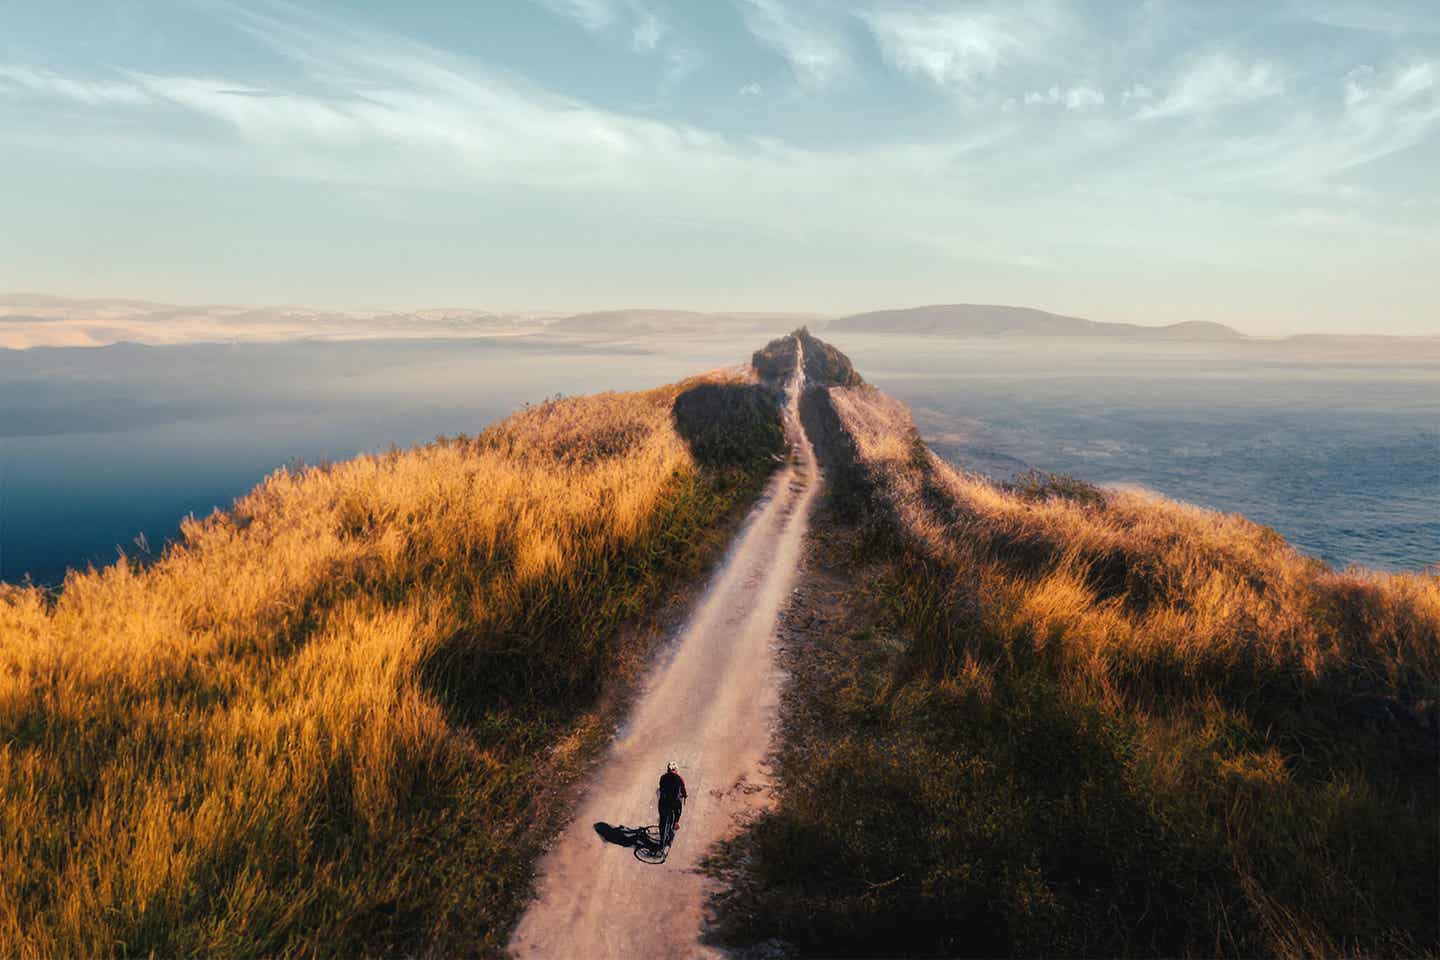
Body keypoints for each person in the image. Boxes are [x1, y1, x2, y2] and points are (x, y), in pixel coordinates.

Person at [658, 760, 688, 837]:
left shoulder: (663, 777)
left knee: (662, 819)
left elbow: (661, 788)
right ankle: (676, 823)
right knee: (679, 809)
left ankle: (662, 829)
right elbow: (683, 790)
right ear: (675, 770)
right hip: (674, 803)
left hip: (663, 802)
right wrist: (685, 795)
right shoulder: (679, 778)